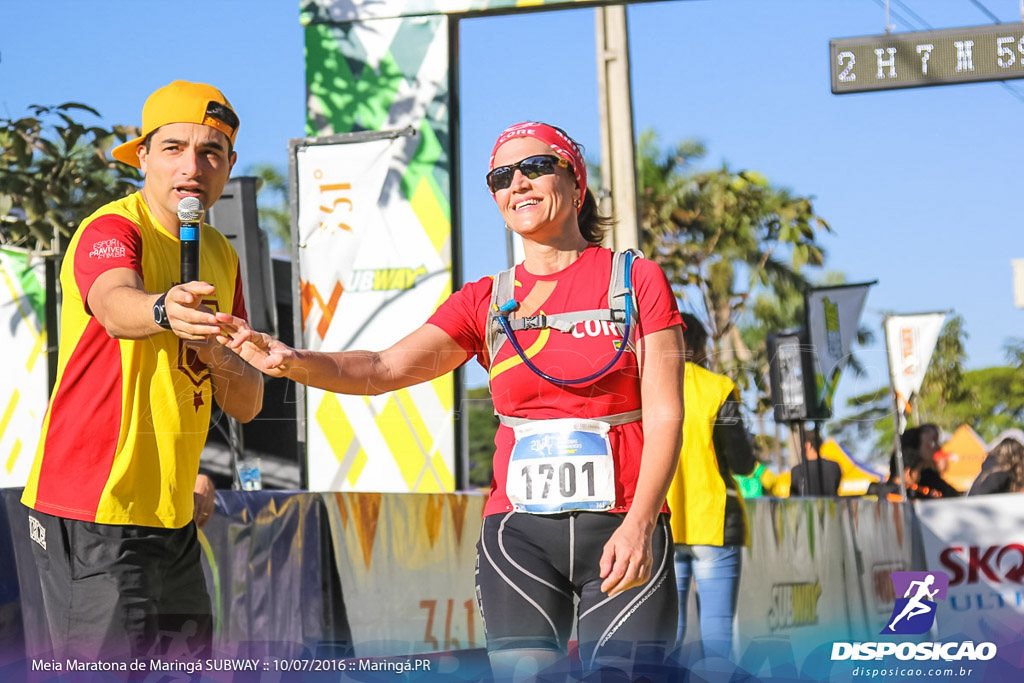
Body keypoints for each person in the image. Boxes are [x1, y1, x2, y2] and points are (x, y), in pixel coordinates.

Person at [220, 121, 685, 678]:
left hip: (624, 523)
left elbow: (664, 413)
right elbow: (383, 368)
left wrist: (639, 524)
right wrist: (290, 360)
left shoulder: (635, 281)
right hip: (519, 537)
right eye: (501, 177)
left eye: (536, 167)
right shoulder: (486, 301)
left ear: (577, 183)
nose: (518, 183)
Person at [20, 80, 264, 662]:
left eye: (211, 153)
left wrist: (215, 352)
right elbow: (114, 303)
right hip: (92, 509)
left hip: (173, 514)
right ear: (144, 156)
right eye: (174, 147)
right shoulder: (111, 228)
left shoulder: (220, 254)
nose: (193, 166)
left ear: (228, 167)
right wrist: (164, 309)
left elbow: (248, 401)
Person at [667, 313, 756, 662]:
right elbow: (743, 463)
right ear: (699, 345)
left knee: (667, 634)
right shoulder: (718, 388)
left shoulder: (642, 387)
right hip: (715, 524)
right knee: (717, 637)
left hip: (663, 524)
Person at [789, 430, 841, 496]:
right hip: (829, 506)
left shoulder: (797, 470)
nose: (800, 449)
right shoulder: (834, 467)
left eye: (801, 446)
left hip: (808, 506)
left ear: (808, 445)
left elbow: (794, 498)